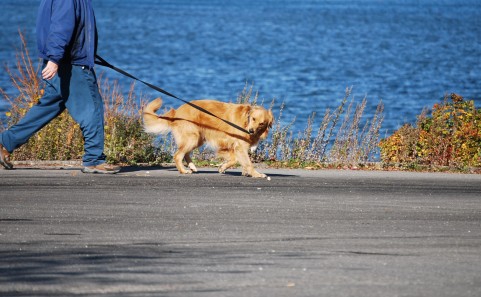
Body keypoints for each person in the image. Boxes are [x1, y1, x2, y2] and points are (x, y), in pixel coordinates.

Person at [0, 0, 119, 174]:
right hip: (71, 65)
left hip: (63, 61)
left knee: (47, 107)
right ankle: (94, 160)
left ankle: (5, 143)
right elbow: (61, 27)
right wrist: (55, 59)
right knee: (92, 108)